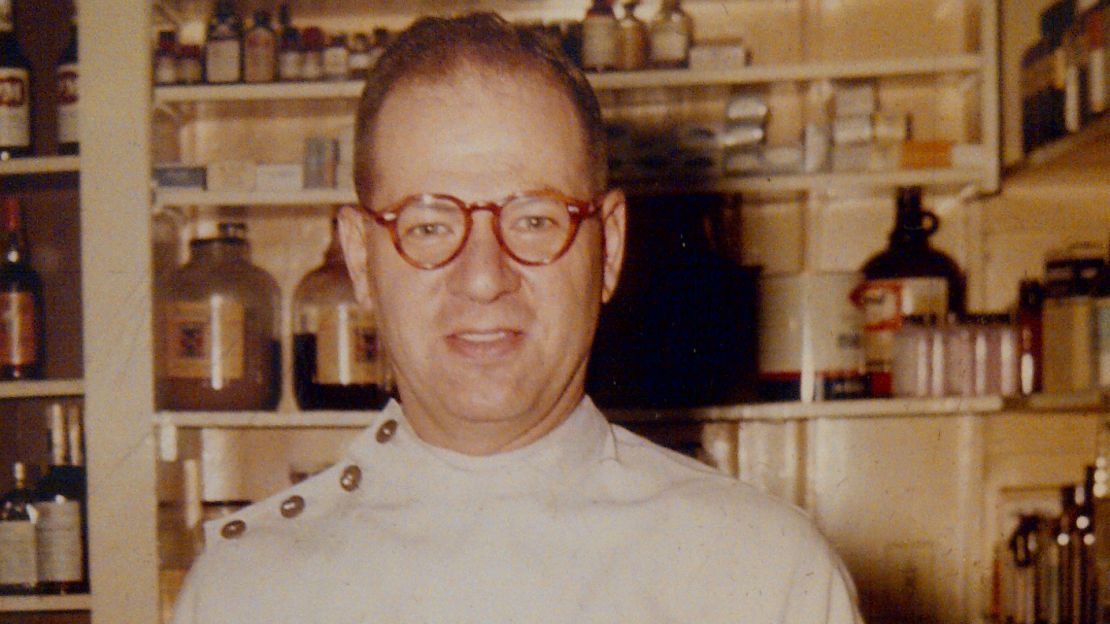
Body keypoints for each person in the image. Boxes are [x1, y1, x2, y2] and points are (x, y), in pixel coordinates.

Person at [171, 13, 864, 623]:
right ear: (360, 258)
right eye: (429, 225)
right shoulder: (246, 592)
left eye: (535, 221)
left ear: (610, 248)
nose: (482, 278)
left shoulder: (762, 578)